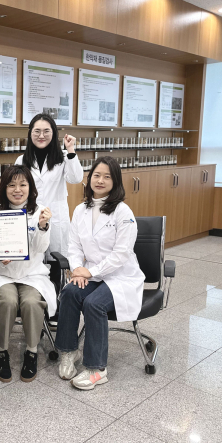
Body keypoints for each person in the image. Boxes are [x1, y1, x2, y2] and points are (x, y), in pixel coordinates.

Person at [55, 156, 145, 390]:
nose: (101, 180)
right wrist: (76, 270)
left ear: (115, 181)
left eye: (107, 176)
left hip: (120, 276)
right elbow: (73, 246)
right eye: (96, 175)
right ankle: (68, 351)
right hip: (91, 273)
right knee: (69, 293)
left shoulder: (123, 212)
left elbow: (121, 254)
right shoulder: (80, 210)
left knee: (94, 303)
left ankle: (97, 369)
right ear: (89, 178)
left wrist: (89, 271)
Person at [0, 165, 56, 383]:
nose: (17, 189)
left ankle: (31, 351)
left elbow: (41, 248)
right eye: (11, 185)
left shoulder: (40, 211)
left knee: (32, 302)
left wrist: (42, 226)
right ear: (4, 188)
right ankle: (1, 351)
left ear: (30, 187)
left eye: (23, 184)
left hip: (32, 274)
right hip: (2, 274)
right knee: (7, 300)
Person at [16, 113, 83, 258]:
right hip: (30, 217)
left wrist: (71, 149)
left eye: (46, 131)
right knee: (33, 261)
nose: (42, 135)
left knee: (56, 262)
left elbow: (76, 178)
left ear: (53, 133)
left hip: (56, 218)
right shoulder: (21, 160)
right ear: (30, 133)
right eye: (37, 131)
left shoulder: (64, 157)